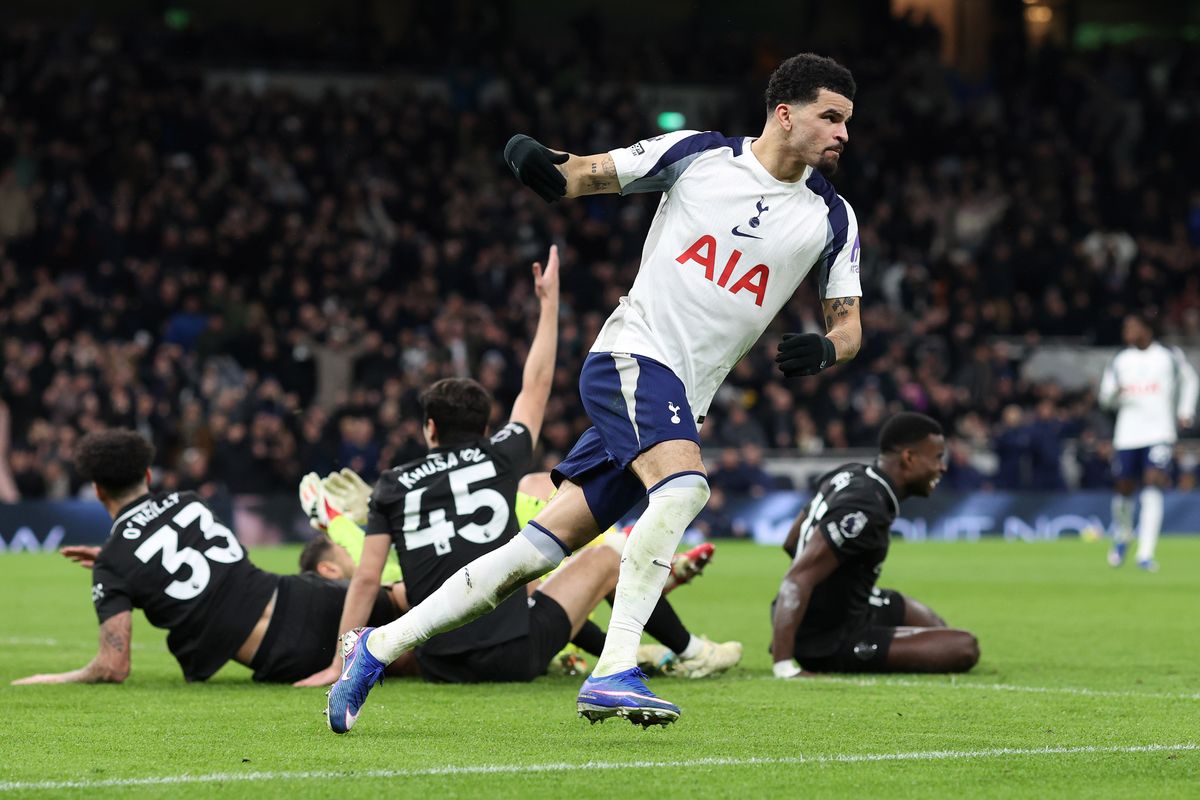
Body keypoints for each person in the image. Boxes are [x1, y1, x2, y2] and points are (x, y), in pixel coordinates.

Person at [327, 52, 864, 730]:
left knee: (532, 554)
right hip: (633, 356)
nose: (843, 133)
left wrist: (825, 349)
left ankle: (377, 648)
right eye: (831, 117)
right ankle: (614, 671)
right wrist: (542, 169)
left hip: (678, 398)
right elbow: (587, 172)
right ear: (784, 114)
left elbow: (850, 327)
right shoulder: (698, 155)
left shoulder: (831, 218)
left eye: (847, 121)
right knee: (685, 488)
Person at [9, 430, 413, 687]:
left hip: (286, 651)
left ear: (98, 491)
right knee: (421, 614)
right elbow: (184, 553)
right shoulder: (188, 502)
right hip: (310, 596)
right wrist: (116, 561)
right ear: (148, 476)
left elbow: (113, 665)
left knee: (420, 656)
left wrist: (56, 677)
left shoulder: (115, 563)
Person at [770, 413, 980, 677]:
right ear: (909, 458)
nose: (943, 467)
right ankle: (821, 651)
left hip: (849, 606)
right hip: (827, 636)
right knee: (963, 647)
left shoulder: (851, 473)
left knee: (936, 627)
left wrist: (838, 586)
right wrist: (784, 665)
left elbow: (792, 540)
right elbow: (796, 579)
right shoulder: (865, 508)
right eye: (937, 457)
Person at [1098, 313, 1198, 571]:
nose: (1126, 332)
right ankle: (1123, 534)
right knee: (1124, 488)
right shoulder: (1121, 359)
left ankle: (1145, 553)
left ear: (1146, 329)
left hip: (1159, 432)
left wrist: (1185, 411)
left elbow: (1191, 379)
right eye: (1125, 327)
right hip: (1127, 433)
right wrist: (1113, 396)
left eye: (1131, 327)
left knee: (1153, 483)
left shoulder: (1167, 354)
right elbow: (1104, 397)